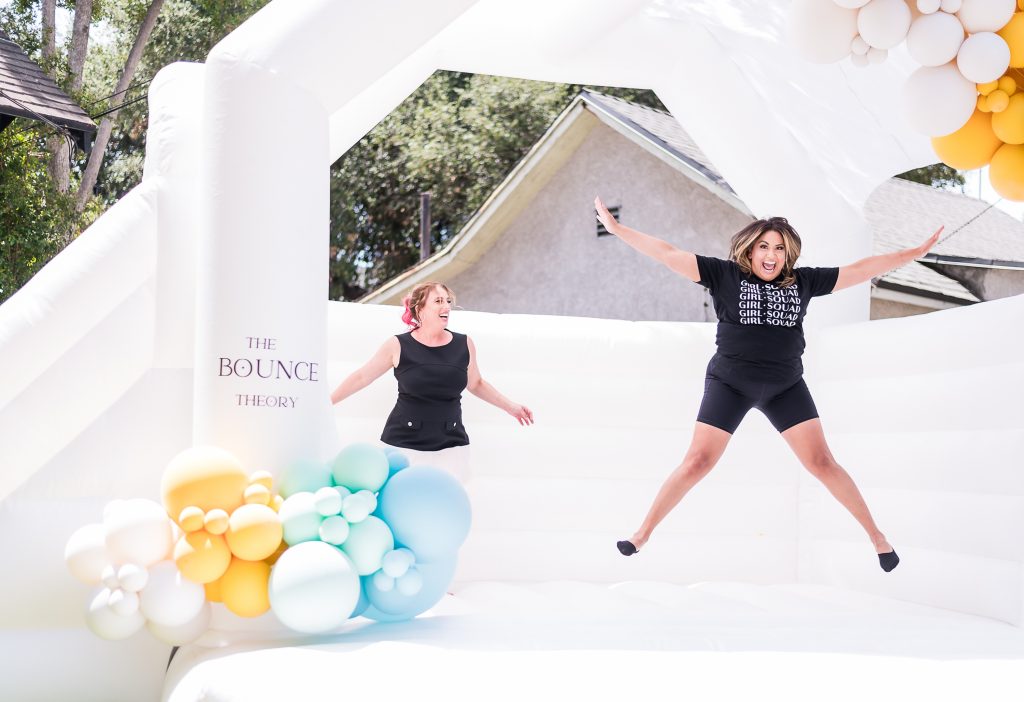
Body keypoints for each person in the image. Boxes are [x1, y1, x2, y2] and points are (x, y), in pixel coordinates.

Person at [595, 196, 942, 572]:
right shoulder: (723, 275)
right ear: (750, 248)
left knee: (822, 462)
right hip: (730, 383)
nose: (771, 255)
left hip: (785, 386)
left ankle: (878, 538)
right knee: (698, 461)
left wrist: (913, 252)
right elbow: (667, 252)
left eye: (779, 248)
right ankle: (642, 533)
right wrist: (617, 229)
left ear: (788, 253)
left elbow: (860, 269)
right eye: (764, 246)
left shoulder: (804, 281)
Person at [331, 281, 533, 482]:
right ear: (420, 309)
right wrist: (327, 402)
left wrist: (510, 407)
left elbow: (476, 383)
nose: (446, 306)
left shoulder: (464, 344)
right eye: (438, 301)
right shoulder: (398, 345)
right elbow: (362, 376)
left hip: (451, 445)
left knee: (445, 508)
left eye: (447, 301)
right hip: (403, 444)